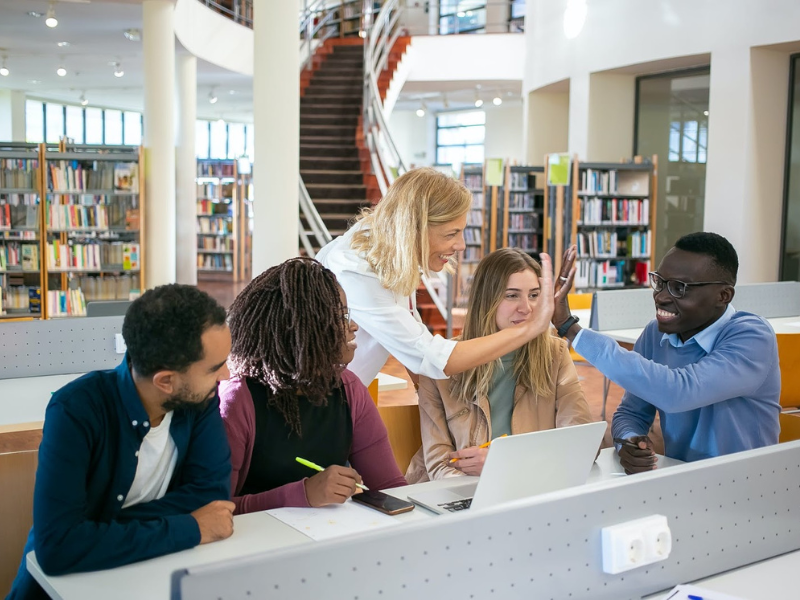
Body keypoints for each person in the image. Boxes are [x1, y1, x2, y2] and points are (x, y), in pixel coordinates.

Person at [8, 285, 234, 600]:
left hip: (151, 581)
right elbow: (58, 548)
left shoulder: (200, 398)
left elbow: (213, 497)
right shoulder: (76, 410)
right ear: (165, 381)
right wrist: (190, 528)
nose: (226, 374)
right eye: (214, 368)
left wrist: (96, 530)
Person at [552, 232, 781, 474]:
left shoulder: (752, 336)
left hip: (748, 486)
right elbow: (631, 412)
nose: (660, 297)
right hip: (680, 480)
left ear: (723, 296)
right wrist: (629, 441)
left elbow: (678, 391)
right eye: (660, 282)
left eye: (678, 288)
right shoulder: (656, 334)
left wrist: (572, 329)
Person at [316, 167, 555, 386]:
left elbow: (411, 336)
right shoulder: (355, 271)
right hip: (316, 401)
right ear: (414, 230)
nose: (460, 245)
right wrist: (529, 329)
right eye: (451, 234)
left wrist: (432, 403)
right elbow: (427, 356)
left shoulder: (390, 248)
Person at [219, 258, 407, 513]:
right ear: (300, 329)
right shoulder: (238, 402)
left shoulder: (349, 389)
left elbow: (390, 487)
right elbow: (215, 510)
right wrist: (303, 494)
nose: (353, 327)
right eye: (340, 316)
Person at [408, 248, 595, 482]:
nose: (526, 308)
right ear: (487, 300)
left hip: (529, 486)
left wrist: (504, 464)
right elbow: (438, 465)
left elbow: (580, 443)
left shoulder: (554, 354)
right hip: (459, 493)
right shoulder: (439, 363)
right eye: (512, 295)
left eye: (534, 295)